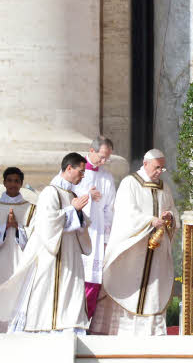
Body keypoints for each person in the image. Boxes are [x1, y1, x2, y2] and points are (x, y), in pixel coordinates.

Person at [0, 152, 92, 335]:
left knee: (71, 298)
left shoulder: (71, 193)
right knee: (46, 299)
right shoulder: (51, 192)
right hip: (52, 259)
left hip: (69, 257)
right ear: (69, 168)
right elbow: (47, 224)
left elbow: (78, 221)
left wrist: (78, 213)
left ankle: (69, 331)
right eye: (81, 171)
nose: (83, 176)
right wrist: (73, 210)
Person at [90, 149, 179, 335]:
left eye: (162, 168)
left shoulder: (164, 187)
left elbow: (172, 209)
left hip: (156, 248)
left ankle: (150, 331)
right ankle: (120, 330)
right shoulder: (130, 183)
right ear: (145, 164)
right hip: (133, 248)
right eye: (156, 167)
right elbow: (125, 212)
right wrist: (149, 221)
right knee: (128, 286)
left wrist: (169, 216)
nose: (159, 172)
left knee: (152, 288)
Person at [0, 166, 36, 332]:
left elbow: (37, 236)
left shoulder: (31, 209)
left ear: (21, 184)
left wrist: (17, 228)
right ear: (4, 183)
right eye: (9, 180)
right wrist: (4, 228)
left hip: (22, 262)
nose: (13, 184)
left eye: (16, 181)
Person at [74, 135, 117, 318]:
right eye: (101, 156)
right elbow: (65, 196)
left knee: (93, 279)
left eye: (107, 158)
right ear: (91, 151)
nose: (104, 161)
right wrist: (87, 195)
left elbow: (110, 209)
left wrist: (107, 239)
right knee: (76, 278)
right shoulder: (75, 169)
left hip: (97, 234)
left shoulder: (107, 177)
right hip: (77, 232)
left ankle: (86, 320)